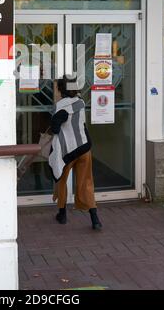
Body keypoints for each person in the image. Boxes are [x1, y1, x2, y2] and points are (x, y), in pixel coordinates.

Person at [49, 77, 102, 230]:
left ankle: (62, 214)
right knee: (86, 182)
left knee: (61, 181)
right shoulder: (81, 102)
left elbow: (55, 129)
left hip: (67, 151)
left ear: (60, 89)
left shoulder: (59, 106)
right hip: (84, 148)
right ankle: (95, 218)